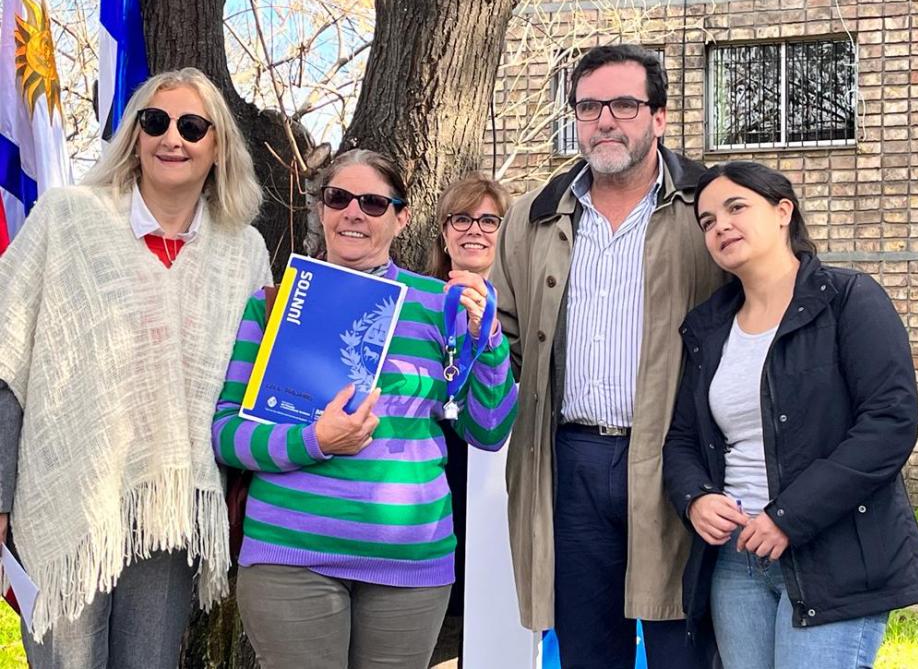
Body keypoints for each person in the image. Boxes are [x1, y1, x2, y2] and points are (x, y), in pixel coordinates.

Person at [0, 67, 271, 668]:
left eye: (192, 126)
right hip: (69, 492)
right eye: (156, 121)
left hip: (173, 504)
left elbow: (257, 384)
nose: (172, 138)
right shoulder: (68, 218)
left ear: (218, 146)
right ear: (135, 134)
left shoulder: (243, 252)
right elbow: (6, 357)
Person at [212, 149, 518, 669]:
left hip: (410, 565)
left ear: (401, 217)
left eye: (374, 203)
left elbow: (487, 429)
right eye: (339, 198)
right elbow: (227, 434)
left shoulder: (439, 305)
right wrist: (315, 441)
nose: (354, 212)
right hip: (291, 557)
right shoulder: (273, 304)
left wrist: (486, 340)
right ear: (321, 210)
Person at [491, 44, 725, 668]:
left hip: (680, 457)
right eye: (589, 106)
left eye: (625, 104)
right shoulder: (532, 218)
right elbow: (508, 339)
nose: (606, 120)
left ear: (660, 115)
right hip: (570, 459)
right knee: (588, 649)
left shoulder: (709, 208)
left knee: (686, 643)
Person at [662, 161, 918, 669]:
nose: (720, 225)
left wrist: (788, 517)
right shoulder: (706, 328)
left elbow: (889, 424)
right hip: (736, 561)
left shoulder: (849, 299)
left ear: (783, 211)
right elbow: (682, 438)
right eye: (706, 221)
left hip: (832, 555)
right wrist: (695, 498)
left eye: (736, 207)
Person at [426, 172, 511, 635]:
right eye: (462, 218)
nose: (474, 229)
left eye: (489, 220)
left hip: (497, 474)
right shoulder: (419, 299)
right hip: (431, 469)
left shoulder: (521, 304)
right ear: (444, 231)